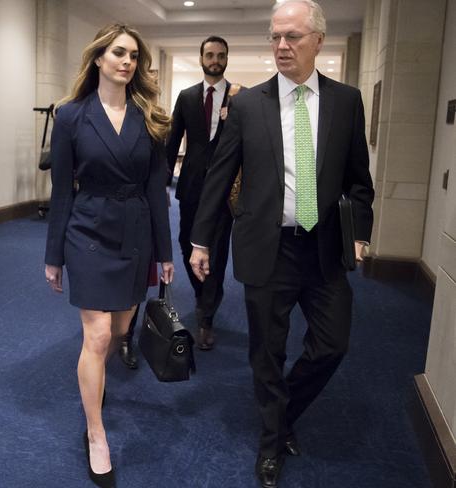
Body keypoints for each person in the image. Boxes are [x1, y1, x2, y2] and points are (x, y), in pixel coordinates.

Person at [189, 1, 374, 487]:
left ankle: (283, 410)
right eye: (274, 37)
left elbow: (359, 180)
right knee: (266, 352)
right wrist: (201, 240)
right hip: (267, 247)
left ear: (318, 41)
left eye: (292, 36)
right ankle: (271, 442)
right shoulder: (248, 104)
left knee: (333, 344)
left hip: (324, 248)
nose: (281, 46)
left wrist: (361, 234)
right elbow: (219, 174)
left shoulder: (346, 101)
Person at [44, 24, 174, 488]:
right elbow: (61, 192)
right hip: (88, 229)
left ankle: (98, 382)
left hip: (135, 231)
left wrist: (165, 252)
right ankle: (96, 433)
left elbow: (158, 192)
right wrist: (54, 254)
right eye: (118, 53)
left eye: (134, 56)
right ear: (98, 58)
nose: (127, 62)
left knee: (121, 330)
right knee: (97, 335)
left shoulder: (152, 117)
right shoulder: (71, 116)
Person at [166, 36, 241, 351]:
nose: (215, 59)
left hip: (224, 191)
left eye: (220, 55)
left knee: (218, 251)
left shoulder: (240, 98)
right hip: (191, 185)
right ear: (201, 58)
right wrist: (160, 180)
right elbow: (173, 140)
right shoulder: (186, 97)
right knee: (187, 243)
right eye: (209, 54)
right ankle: (201, 294)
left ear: (226, 59)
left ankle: (206, 315)